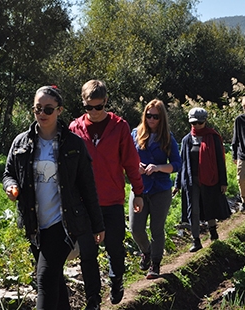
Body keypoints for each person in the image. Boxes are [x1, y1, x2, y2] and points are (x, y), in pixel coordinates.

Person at [3, 86, 105, 310]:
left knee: (45, 279)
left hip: (63, 224)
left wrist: (97, 225)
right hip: (35, 225)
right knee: (55, 282)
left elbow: (87, 186)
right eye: (37, 108)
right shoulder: (21, 143)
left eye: (48, 109)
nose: (42, 113)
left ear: (59, 110)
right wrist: (11, 186)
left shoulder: (73, 144)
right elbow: (8, 173)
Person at [69, 80, 144, 307]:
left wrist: (138, 191)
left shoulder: (119, 127)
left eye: (98, 107)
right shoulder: (75, 128)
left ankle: (116, 279)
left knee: (114, 245)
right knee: (88, 252)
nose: (93, 112)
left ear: (106, 102)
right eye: (88, 107)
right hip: (84, 202)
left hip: (111, 198)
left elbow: (131, 162)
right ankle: (93, 298)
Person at [129, 99, 181, 279]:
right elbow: (126, 158)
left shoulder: (167, 137)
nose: (151, 119)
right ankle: (147, 251)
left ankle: (155, 264)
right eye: (148, 115)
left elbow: (177, 164)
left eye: (155, 117)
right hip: (139, 188)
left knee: (157, 228)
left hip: (160, 188)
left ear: (161, 118)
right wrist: (136, 166)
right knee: (135, 228)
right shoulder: (135, 134)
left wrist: (158, 167)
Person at [173, 107, 230, 252]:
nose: (196, 126)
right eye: (194, 123)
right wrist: (177, 183)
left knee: (209, 205)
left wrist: (223, 182)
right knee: (194, 210)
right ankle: (196, 240)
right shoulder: (186, 140)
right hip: (191, 181)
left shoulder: (213, 137)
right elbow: (182, 163)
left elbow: (220, 161)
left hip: (210, 179)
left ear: (205, 121)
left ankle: (212, 230)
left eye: (199, 122)